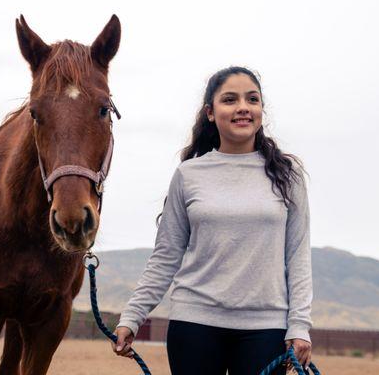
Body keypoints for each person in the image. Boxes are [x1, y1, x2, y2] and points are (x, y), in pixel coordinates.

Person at [111, 66, 313, 375]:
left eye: (252, 99)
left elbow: (297, 256)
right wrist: (132, 316)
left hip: (266, 328)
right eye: (230, 99)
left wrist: (299, 326)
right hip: (195, 325)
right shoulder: (188, 175)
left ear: (261, 110)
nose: (243, 107)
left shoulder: (288, 176)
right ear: (210, 112)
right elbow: (166, 256)